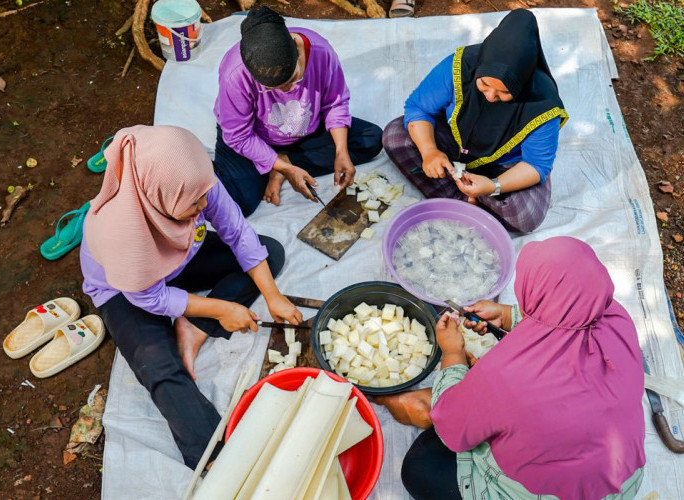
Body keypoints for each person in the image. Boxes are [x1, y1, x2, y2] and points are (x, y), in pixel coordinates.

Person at [80, 125, 302, 469]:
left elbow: (236, 230)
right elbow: (150, 298)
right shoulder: (122, 233)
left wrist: (272, 296)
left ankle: (192, 327)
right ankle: (216, 456)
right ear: (159, 201)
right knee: (159, 367)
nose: (204, 207)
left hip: (179, 259)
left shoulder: (195, 184)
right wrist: (221, 308)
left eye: (204, 196)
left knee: (267, 253)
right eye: (193, 204)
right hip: (128, 290)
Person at [376, 237, 645, 499]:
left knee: (421, 467)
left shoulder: (507, 377)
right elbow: (568, 319)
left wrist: (453, 352)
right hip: (620, 482)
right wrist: (506, 315)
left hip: (543, 493)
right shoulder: (616, 317)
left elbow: (452, 432)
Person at [383, 9, 568, 233]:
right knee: (394, 136)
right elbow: (419, 108)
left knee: (526, 215)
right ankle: (464, 199)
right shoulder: (460, 66)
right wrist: (430, 151)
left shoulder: (543, 105)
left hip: (504, 166)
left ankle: (467, 196)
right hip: (454, 144)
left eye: (504, 93)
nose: (490, 97)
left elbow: (536, 165)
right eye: (484, 85)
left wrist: (493, 186)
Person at [213, 6, 383, 216]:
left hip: (305, 128)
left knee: (371, 138)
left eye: (294, 79)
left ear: (295, 46)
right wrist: (280, 166)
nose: (288, 90)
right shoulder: (235, 74)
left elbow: (335, 102)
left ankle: (284, 161)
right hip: (254, 138)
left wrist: (341, 151)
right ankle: (276, 164)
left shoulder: (321, 52)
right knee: (238, 203)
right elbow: (238, 135)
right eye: (273, 89)